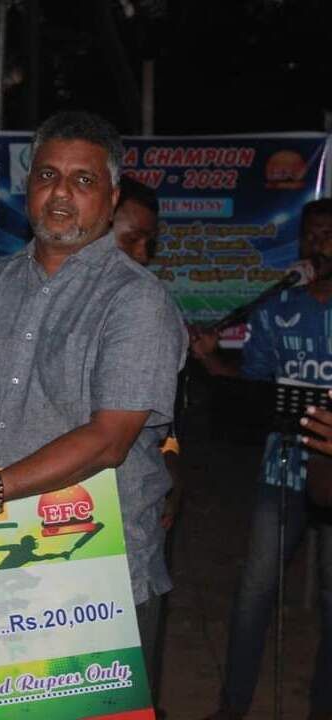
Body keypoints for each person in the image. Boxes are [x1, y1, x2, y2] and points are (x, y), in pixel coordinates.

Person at [0, 111, 187, 691]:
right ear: (27, 188)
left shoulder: (137, 301)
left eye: (83, 180)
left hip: (93, 565)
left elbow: (109, 440)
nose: (61, 194)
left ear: (112, 198)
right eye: (48, 175)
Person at [192, 200, 332, 720]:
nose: (318, 243)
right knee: (255, 589)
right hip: (284, 468)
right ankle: (233, 706)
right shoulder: (276, 308)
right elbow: (252, 385)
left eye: (329, 234)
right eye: (311, 234)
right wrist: (211, 360)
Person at [113, 175, 184, 531]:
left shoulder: (149, 307)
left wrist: (170, 468)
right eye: (131, 240)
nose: (142, 255)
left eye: (149, 243)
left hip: (123, 506)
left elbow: (163, 424)